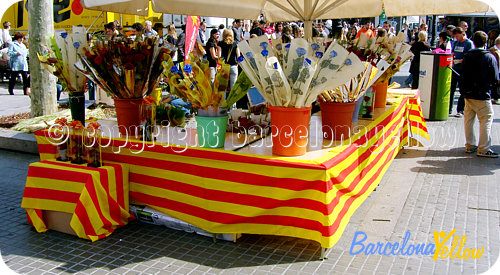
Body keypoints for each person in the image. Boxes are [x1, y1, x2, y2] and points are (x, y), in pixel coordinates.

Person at [460, 31, 499, 158]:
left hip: (468, 93)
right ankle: (483, 148)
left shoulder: (467, 56)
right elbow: (494, 77)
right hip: (482, 93)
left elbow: (462, 74)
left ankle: (470, 145)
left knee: (469, 119)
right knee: (486, 119)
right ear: (485, 42)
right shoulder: (489, 57)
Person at [450, 27, 474, 117]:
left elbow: (470, 57)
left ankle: (460, 110)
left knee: (462, 90)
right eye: (455, 36)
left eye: (457, 36)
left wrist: (460, 60)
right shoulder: (456, 43)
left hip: (463, 69)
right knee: (451, 88)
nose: (456, 38)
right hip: (454, 67)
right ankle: (449, 109)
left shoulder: (468, 44)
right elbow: (453, 52)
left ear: (462, 34)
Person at [488, 36, 500, 105]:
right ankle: (495, 97)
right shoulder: (492, 50)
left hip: (499, 69)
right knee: (495, 84)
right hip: (495, 69)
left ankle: (496, 97)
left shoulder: (498, 50)